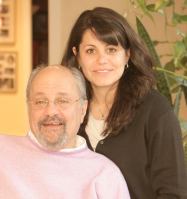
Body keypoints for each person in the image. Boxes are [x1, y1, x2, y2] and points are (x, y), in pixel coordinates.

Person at [61, 7, 187, 199]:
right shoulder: (68, 111)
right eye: (90, 50)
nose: (102, 60)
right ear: (77, 54)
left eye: (111, 49)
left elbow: (174, 193)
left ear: (127, 54)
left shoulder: (155, 112)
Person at [0, 65, 131, 199]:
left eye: (63, 101)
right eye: (40, 101)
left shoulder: (105, 175)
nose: (51, 111)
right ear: (28, 107)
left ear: (83, 109)